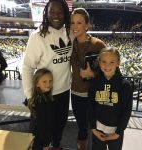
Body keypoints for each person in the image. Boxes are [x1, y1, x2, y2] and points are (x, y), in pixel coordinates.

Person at [22, 0, 72, 149]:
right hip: (44, 94)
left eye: (60, 12)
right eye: (52, 12)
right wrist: (31, 96)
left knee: (59, 125)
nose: (56, 15)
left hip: (63, 91)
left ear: (65, 14)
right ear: (46, 13)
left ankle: (56, 146)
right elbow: (27, 67)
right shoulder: (37, 36)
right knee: (41, 131)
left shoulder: (69, 33)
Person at [70, 8, 106, 150]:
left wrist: (93, 74)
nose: (75, 26)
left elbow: (110, 70)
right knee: (82, 128)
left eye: (79, 22)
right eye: (73, 23)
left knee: (96, 128)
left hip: (94, 95)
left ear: (87, 25)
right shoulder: (70, 44)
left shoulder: (98, 45)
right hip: (76, 94)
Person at [88, 47, 133, 150]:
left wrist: (118, 132)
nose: (107, 65)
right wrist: (93, 128)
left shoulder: (125, 85)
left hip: (116, 132)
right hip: (98, 130)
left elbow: (127, 111)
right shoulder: (95, 82)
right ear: (99, 62)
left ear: (118, 63)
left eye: (112, 62)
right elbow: (90, 106)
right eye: (104, 61)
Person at [28, 68, 54, 150]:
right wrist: (46, 142)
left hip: (41, 136)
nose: (48, 84)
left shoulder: (45, 96)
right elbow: (41, 124)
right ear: (37, 84)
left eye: (50, 81)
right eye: (44, 81)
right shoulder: (40, 101)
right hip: (39, 138)